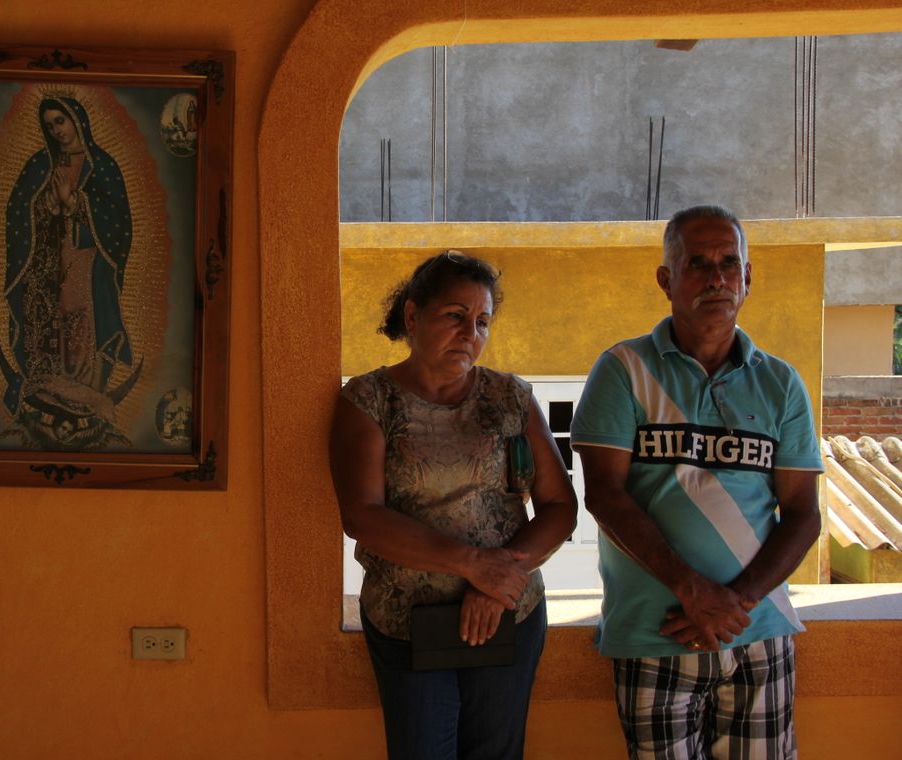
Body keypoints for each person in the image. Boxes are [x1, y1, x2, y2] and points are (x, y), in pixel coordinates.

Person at [570, 205, 823, 759]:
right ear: (666, 279)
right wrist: (692, 590)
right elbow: (605, 496)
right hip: (654, 632)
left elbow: (803, 512)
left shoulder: (781, 383)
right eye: (697, 264)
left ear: (748, 278)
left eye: (730, 263)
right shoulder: (622, 370)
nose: (716, 278)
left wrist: (739, 602)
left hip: (758, 631)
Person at [329, 251, 577, 760]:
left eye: (482, 321)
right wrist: (473, 565)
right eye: (455, 315)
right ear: (413, 316)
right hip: (408, 620)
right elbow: (363, 516)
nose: (470, 332)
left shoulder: (510, 398)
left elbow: (559, 506)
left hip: (509, 612)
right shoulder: (370, 400)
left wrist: (498, 582)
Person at [1, 95, 136, 449]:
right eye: (49, 125)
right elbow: (18, 211)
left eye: (60, 120)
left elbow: (118, 223)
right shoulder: (39, 164)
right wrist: (49, 205)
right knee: (51, 317)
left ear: (78, 119)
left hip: (86, 260)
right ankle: (53, 387)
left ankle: (86, 393)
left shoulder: (103, 165)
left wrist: (74, 202)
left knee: (81, 318)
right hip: (47, 258)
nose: (56, 130)